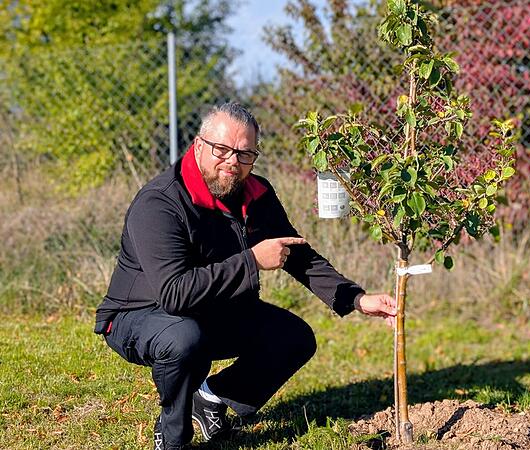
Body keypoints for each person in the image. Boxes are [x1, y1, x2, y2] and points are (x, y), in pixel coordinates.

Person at [94, 102, 397, 450]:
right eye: (221, 150)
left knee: (293, 337)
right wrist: (252, 261)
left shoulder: (256, 193)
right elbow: (174, 294)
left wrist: (357, 298)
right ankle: (173, 435)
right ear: (198, 145)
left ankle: (210, 398)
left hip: (207, 308)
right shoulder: (160, 203)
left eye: (244, 153)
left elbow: (297, 254)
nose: (232, 162)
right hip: (140, 315)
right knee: (183, 340)